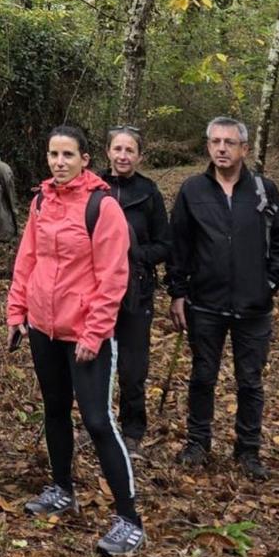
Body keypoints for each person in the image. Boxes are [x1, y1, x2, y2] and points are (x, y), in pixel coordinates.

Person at [6, 125, 143, 557]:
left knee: (98, 420)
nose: (59, 162)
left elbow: (112, 277)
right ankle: (61, 488)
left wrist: (95, 331)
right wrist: (16, 310)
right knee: (54, 409)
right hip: (44, 328)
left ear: (86, 158)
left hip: (85, 334)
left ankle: (128, 518)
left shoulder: (102, 207)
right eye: (53, 154)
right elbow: (27, 258)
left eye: (68, 155)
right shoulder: (42, 200)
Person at [167, 117, 279, 481]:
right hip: (204, 303)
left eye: (229, 142)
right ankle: (197, 443)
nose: (221, 148)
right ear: (207, 146)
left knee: (250, 381)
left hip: (254, 307)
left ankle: (248, 450)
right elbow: (179, 245)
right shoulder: (193, 190)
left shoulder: (263, 190)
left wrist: (271, 281)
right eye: (215, 142)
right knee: (203, 376)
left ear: (244, 148)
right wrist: (178, 292)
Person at [99, 126, 171, 459]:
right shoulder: (93, 188)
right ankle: (97, 424)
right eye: (118, 149)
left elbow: (165, 244)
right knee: (95, 360)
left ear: (139, 155)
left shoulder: (149, 193)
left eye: (130, 150)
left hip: (136, 289)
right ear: (108, 152)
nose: (123, 156)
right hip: (95, 288)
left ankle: (132, 430)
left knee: (132, 365)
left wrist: (134, 255)